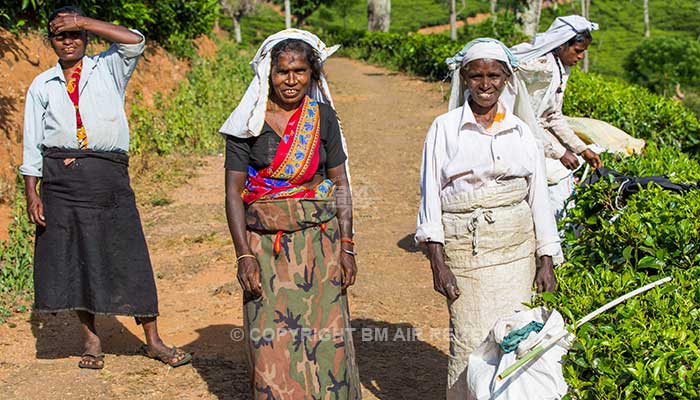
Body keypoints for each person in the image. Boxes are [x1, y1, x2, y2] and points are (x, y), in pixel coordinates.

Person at [20, 6, 191, 369]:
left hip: (109, 178)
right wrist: (32, 192)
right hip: (60, 183)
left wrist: (83, 21)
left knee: (129, 254)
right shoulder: (42, 85)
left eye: (74, 33)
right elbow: (32, 142)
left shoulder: (108, 67)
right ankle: (92, 342)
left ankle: (153, 340)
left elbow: (136, 41)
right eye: (60, 34)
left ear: (85, 36)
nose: (68, 41)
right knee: (75, 258)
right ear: (50, 41)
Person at [416, 39, 562, 399]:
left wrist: (546, 260)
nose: (485, 84)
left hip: (516, 252)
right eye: (477, 75)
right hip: (467, 253)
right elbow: (430, 197)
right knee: (469, 340)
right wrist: (438, 262)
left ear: (507, 79)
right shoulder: (444, 129)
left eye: (494, 75)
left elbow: (538, 197)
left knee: (517, 339)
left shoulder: (521, 131)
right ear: (464, 78)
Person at [221, 29, 361, 400]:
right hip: (266, 249)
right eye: (283, 72)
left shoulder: (322, 118)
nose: (291, 80)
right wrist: (244, 255)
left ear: (312, 74)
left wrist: (347, 245)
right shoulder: (246, 124)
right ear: (269, 73)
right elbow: (233, 194)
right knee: (271, 342)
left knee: (326, 339)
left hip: (320, 244)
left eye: (300, 71)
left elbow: (340, 181)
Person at [510, 15, 603, 220]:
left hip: (536, 134)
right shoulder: (542, 69)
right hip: (519, 134)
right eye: (578, 51)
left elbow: (553, 116)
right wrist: (560, 152)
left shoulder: (561, 69)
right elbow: (527, 120)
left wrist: (582, 149)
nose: (580, 57)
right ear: (561, 46)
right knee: (556, 177)